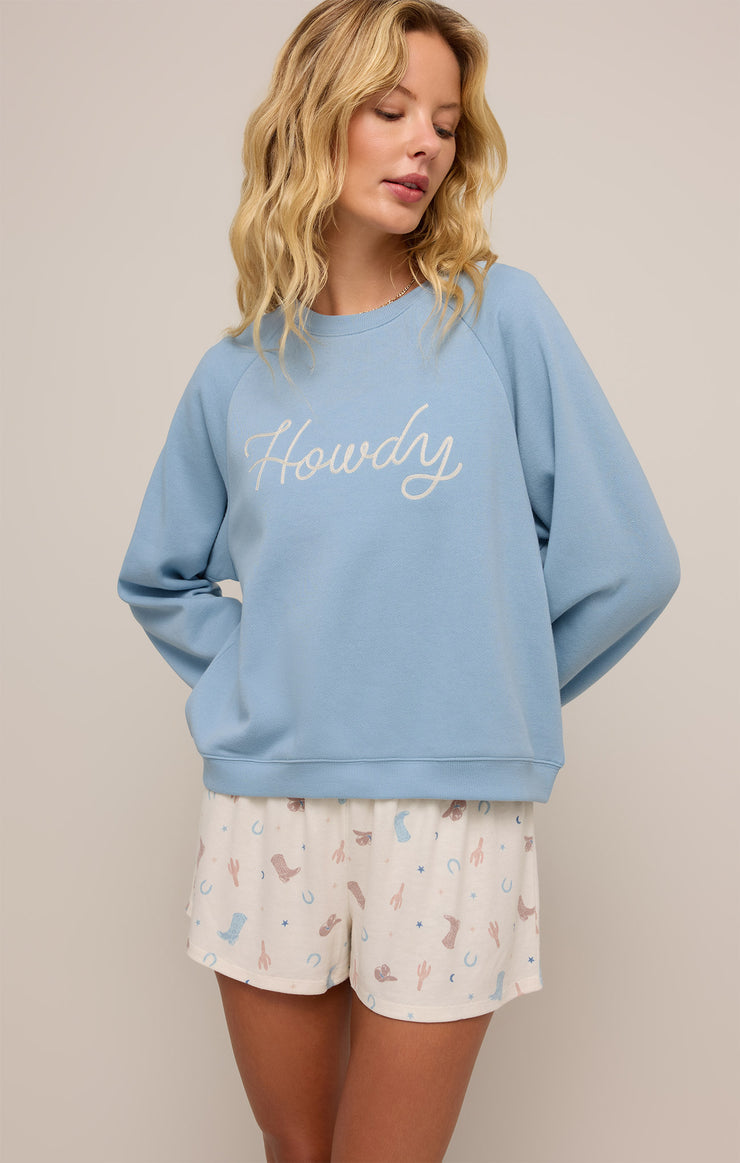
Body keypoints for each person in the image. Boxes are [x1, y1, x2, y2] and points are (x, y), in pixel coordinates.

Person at [117, 0, 681, 1158]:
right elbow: (160, 576)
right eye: (389, 110)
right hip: (267, 803)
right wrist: (264, 678)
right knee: (297, 1152)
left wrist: (481, 688)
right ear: (314, 120)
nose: (424, 141)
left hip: (450, 811)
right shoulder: (236, 374)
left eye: (444, 121)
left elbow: (627, 560)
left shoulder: (497, 320)